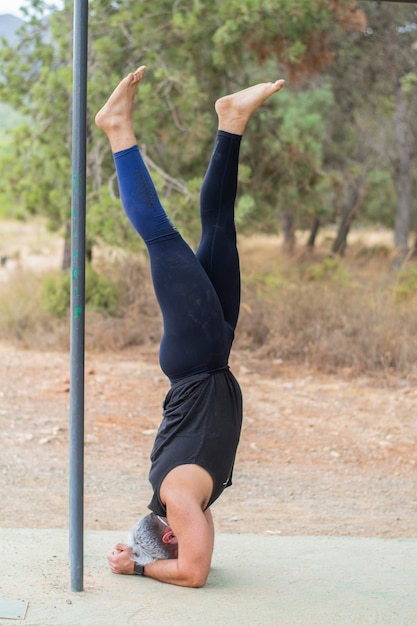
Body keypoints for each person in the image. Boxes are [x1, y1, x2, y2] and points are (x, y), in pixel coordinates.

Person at [95, 66, 285, 587]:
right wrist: (148, 557)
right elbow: (197, 556)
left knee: (160, 235)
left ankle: (116, 129)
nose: (194, 530)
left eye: (183, 531)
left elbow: (195, 573)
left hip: (196, 357)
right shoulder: (196, 499)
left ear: (173, 531)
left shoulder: (180, 496)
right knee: (220, 226)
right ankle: (232, 119)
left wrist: (136, 565)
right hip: (214, 352)